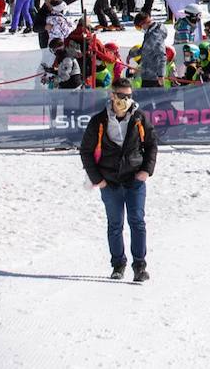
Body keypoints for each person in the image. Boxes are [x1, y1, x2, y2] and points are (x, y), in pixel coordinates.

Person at [79, 78, 156, 282]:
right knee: (115, 224)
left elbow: (151, 145)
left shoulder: (139, 118)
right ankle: (118, 265)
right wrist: (98, 180)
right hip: (110, 181)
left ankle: (140, 266)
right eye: (122, 96)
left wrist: (146, 171)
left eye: (129, 96)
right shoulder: (99, 121)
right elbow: (86, 151)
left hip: (134, 180)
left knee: (137, 222)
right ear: (112, 96)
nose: (126, 100)